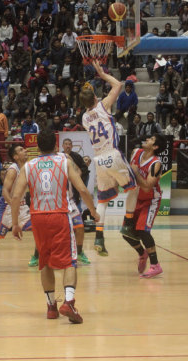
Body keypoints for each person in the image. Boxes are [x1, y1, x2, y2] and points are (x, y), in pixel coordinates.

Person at [11, 129, 100, 323]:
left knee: (45, 261)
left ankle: (51, 306)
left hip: (37, 217)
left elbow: (16, 196)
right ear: (56, 146)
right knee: (69, 261)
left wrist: (16, 223)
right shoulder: (64, 161)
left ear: (37, 147)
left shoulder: (28, 165)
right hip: (59, 215)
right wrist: (93, 211)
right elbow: (82, 188)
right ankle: (69, 302)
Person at [79, 60, 138, 256]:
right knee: (133, 188)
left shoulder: (84, 118)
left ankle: (99, 238)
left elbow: (89, 102)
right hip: (112, 154)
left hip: (98, 160)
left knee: (103, 201)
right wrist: (102, 74)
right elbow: (118, 85)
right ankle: (128, 223)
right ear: (96, 97)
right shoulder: (103, 106)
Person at [127, 134, 166, 278]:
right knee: (126, 232)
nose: (147, 139)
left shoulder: (156, 164)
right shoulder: (136, 152)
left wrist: (136, 173)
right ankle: (142, 253)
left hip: (150, 200)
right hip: (135, 197)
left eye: (151, 140)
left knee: (143, 231)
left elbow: (147, 187)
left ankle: (156, 265)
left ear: (155, 147)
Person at [62, 138, 91, 264]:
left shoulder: (74, 157)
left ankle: (79, 252)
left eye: (70, 144)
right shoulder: (59, 157)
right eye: (66, 144)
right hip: (58, 200)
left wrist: (75, 178)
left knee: (79, 227)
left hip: (73, 197)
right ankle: (39, 254)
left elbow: (82, 170)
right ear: (62, 146)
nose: (68, 146)